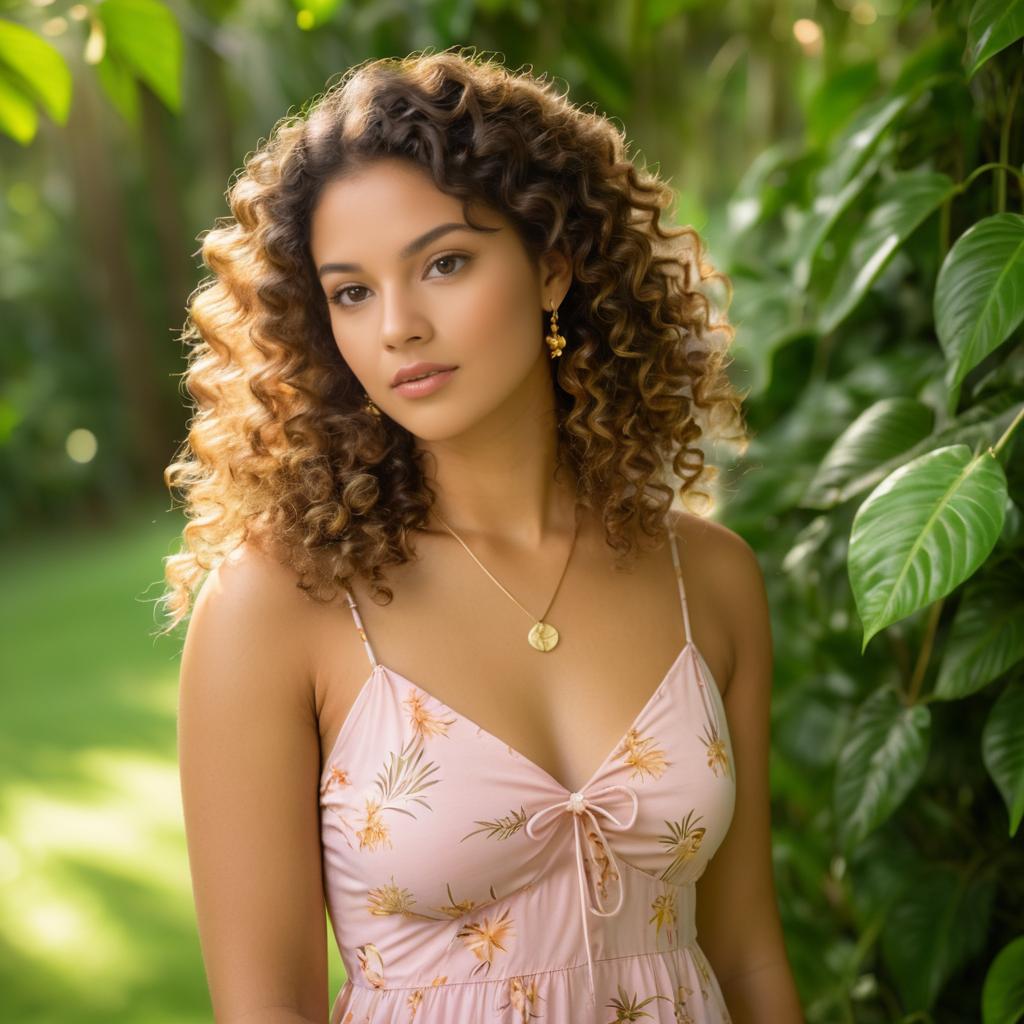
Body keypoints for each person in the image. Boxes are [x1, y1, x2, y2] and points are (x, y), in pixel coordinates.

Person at [163, 46, 804, 1024]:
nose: (399, 327)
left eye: (445, 264)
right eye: (353, 291)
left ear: (552, 266)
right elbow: (265, 1009)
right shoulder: (275, 605)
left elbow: (749, 955)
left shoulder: (707, 579)